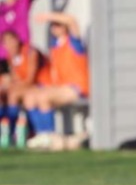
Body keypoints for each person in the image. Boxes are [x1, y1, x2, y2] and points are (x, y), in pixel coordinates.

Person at [22, 11, 89, 150]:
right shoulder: (55, 46)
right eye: (53, 25)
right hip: (60, 87)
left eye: (58, 25)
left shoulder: (73, 42)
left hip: (77, 87)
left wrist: (48, 16)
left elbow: (72, 20)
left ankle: (51, 137)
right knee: (30, 97)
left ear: (64, 27)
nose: (54, 27)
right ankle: (41, 134)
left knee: (44, 97)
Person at [0, 30, 50, 148]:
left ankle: (13, 132)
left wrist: (11, 86)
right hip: (26, 87)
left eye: (11, 41)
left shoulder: (31, 52)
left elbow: (30, 80)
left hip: (42, 85)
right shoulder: (11, 57)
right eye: (5, 42)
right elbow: (15, 78)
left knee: (13, 95)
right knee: (3, 95)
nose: (9, 45)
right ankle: (7, 131)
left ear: (17, 40)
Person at [0, 0, 41, 78]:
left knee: (23, 81)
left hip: (22, 52)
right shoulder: (1, 8)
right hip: (4, 55)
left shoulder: (23, 2)